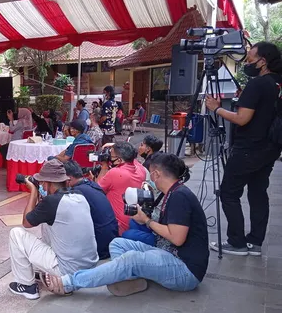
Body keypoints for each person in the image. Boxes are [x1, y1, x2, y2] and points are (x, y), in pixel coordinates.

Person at [44, 153, 209, 297]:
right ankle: (128, 278)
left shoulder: (180, 196)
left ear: (157, 174)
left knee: (130, 260)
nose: (150, 179)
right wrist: (143, 218)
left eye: (151, 174)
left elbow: (177, 238)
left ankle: (69, 282)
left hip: (185, 270)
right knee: (117, 243)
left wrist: (147, 221)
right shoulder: (173, 192)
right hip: (168, 254)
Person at [207, 41, 282, 256]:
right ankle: (255, 242)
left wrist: (217, 108)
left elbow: (241, 118)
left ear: (263, 62)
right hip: (270, 148)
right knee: (258, 193)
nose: (247, 65)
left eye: (250, 60)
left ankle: (237, 242)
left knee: (229, 193)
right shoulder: (277, 83)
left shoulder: (258, 85)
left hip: (249, 148)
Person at [8, 159, 98, 300]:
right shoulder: (79, 195)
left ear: (48, 183)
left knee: (16, 234)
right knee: (48, 223)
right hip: (90, 264)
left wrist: (33, 190)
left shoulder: (51, 203)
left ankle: (27, 286)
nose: (42, 185)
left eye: (43, 182)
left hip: (68, 270)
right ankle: (46, 268)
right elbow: (42, 215)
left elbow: (26, 222)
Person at [63, 161, 118, 259]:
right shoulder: (92, 184)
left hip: (99, 248)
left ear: (69, 178)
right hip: (111, 240)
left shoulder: (76, 194)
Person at [96, 141, 147, 234]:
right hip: (135, 220)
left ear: (119, 160)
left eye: (111, 156)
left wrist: (104, 167)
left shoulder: (115, 172)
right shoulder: (140, 169)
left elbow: (96, 190)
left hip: (118, 224)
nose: (109, 158)